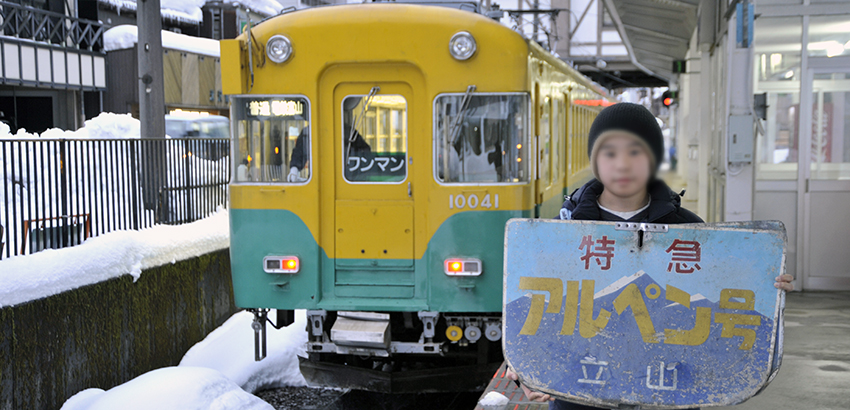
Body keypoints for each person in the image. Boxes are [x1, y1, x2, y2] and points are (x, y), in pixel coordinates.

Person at [506, 103, 795, 409]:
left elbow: (726, 312)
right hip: (578, 397)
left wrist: (767, 287)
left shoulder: (690, 231)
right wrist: (522, 372)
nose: (622, 164)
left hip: (667, 394)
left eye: (636, 152)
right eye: (610, 153)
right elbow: (527, 308)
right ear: (594, 160)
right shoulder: (559, 233)